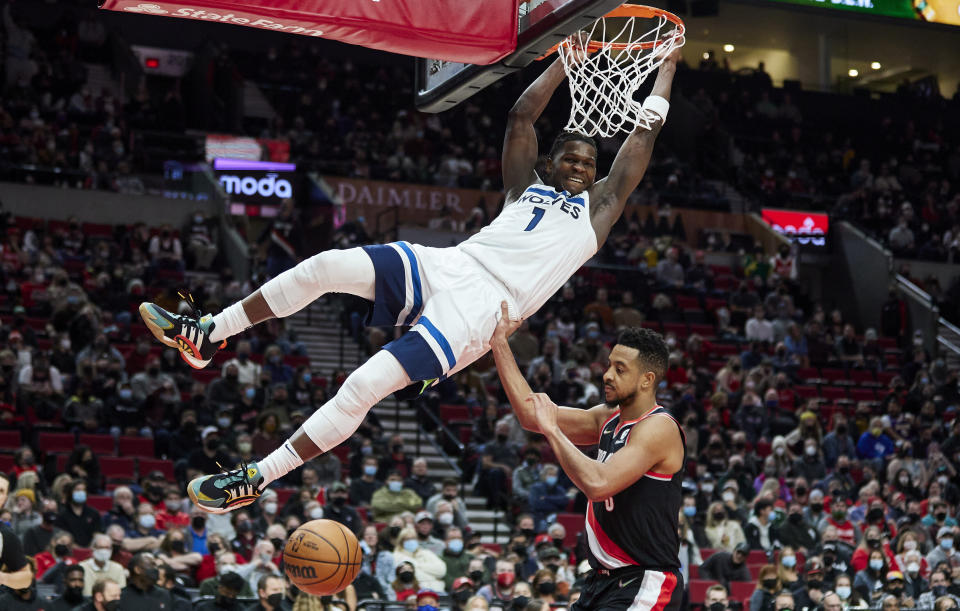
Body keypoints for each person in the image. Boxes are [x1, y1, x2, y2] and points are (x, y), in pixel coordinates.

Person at [139, 42, 680, 513]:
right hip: (450, 262)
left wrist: (667, 68)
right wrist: (565, 58)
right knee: (328, 265)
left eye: (590, 163)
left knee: (364, 383)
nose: (582, 168)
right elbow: (520, 119)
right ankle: (209, 333)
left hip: (481, 311)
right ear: (553, 161)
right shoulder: (524, 189)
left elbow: (643, 141)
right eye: (572, 158)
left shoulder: (597, 212)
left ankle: (257, 477)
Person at [491, 316, 685, 610]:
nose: (607, 375)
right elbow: (532, 416)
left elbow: (598, 485)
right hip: (601, 581)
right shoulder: (607, 418)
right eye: (609, 365)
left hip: (645, 579)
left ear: (647, 379)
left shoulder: (659, 428)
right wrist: (499, 343)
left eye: (620, 370)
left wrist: (553, 431)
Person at [0, 473, 32, 591]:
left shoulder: (5, 535)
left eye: (1, 491)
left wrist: (3, 578)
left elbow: (26, 577)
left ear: (5, 499)